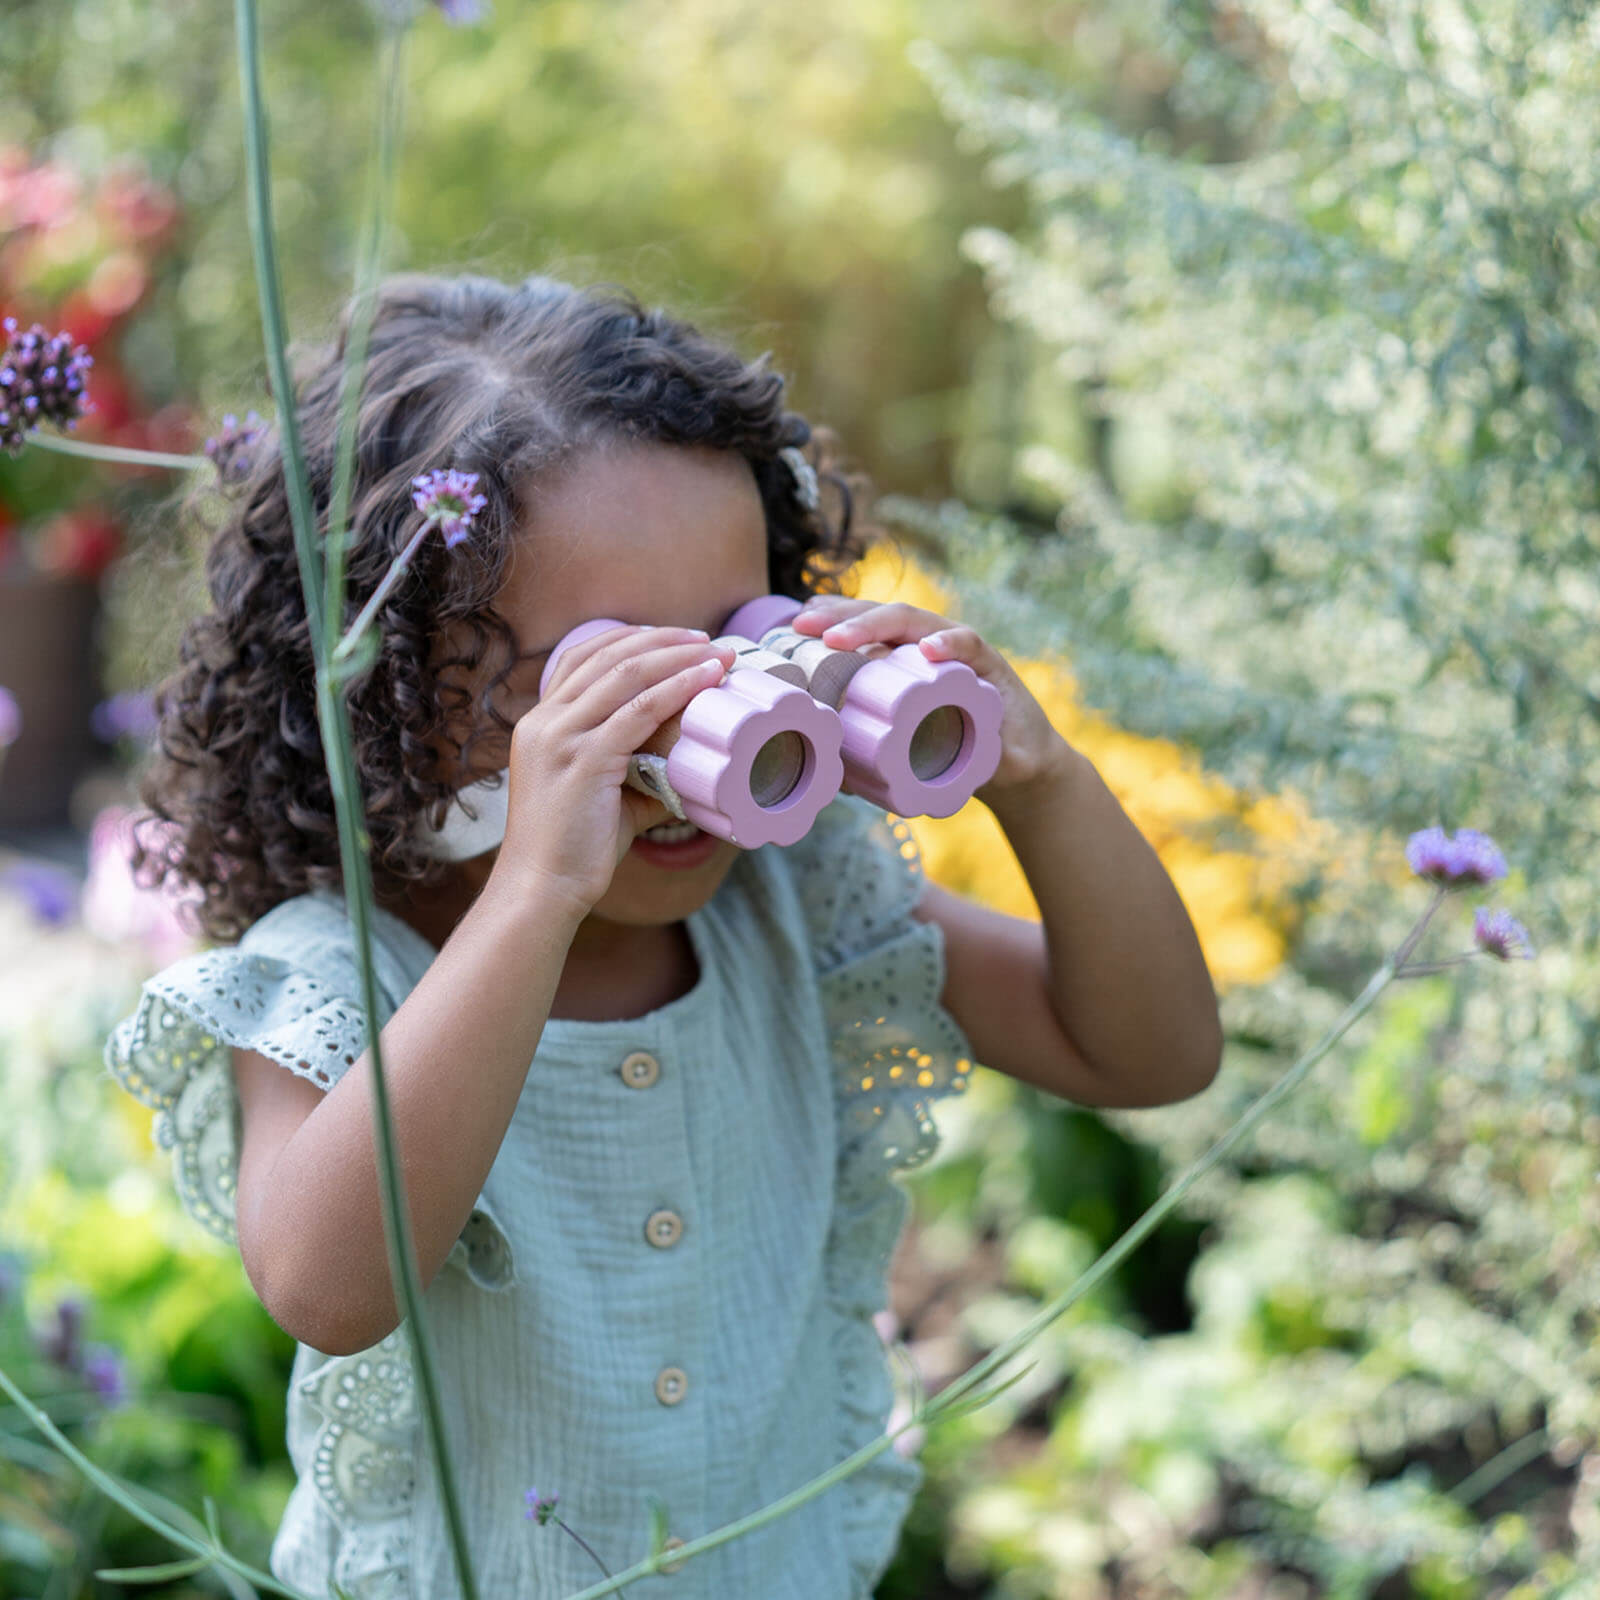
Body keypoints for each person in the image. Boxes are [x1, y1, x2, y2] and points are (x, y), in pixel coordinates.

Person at [103, 271, 1223, 1600]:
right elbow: (330, 1288)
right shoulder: (338, 977)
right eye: (605, 682)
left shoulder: (795, 903)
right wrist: (534, 893)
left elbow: (1150, 1053)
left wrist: (1042, 777)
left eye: (734, 650)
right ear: (381, 691)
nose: (703, 741)